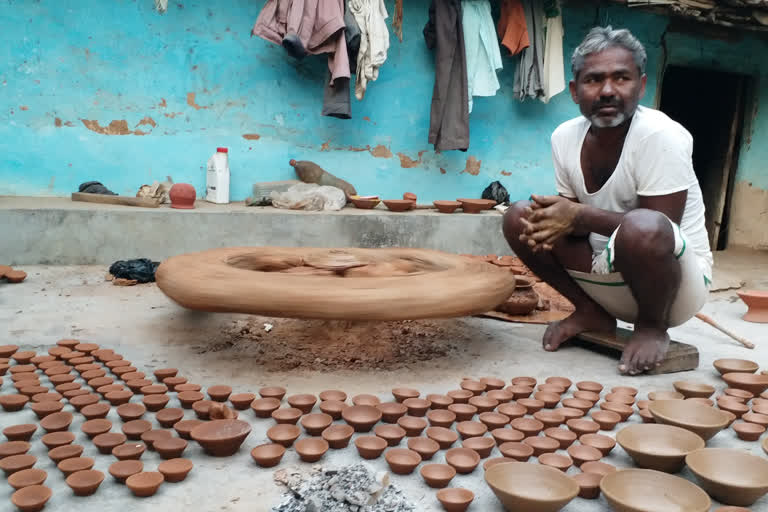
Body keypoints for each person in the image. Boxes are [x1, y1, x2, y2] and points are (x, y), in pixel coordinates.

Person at [503, 26, 713, 375]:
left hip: (673, 288)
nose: (607, 91)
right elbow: (565, 223)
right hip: (605, 278)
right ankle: (590, 311)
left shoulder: (661, 136)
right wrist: (558, 217)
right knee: (519, 216)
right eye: (594, 80)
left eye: (621, 78)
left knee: (643, 226)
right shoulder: (564, 137)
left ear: (642, 86)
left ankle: (650, 329)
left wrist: (579, 216)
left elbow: (664, 230)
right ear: (574, 91)